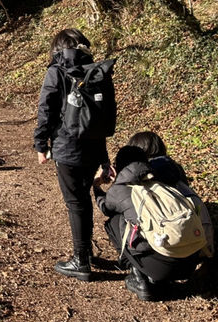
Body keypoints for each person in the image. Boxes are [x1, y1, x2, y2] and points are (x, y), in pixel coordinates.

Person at [34, 28, 113, 281]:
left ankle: (80, 260)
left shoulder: (56, 71)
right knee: (83, 198)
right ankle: (85, 252)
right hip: (92, 145)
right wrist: (103, 156)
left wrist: (40, 144)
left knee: (75, 202)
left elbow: (46, 109)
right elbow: (101, 117)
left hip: (67, 147)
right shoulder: (96, 72)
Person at [93, 145, 204, 301]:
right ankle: (160, 277)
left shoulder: (120, 190)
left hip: (162, 268)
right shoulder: (164, 175)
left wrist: (97, 185)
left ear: (118, 166)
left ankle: (140, 277)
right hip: (191, 261)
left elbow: (105, 206)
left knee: (114, 222)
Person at [127, 131, 214, 260]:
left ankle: (138, 265)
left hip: (165, 245)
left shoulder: (141, 174)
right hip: (197, 240)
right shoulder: (175, 168)